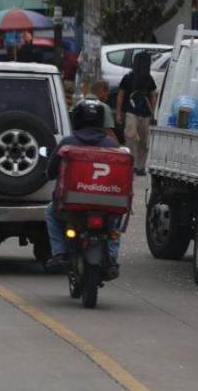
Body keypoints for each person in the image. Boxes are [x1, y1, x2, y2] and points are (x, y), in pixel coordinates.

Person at [43, 100, 122, 277]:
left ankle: (60, 253)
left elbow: (51, 170)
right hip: (106, 206)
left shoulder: (67, 143)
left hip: (71, 207)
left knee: (49, 212)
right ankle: (111, 258)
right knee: (115, 222)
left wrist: (48, 174)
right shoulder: (112, 145)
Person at [116, 52, 158, 175]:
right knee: (131, 137)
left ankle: (140, 167)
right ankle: (132, 164)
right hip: (132, 112)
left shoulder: (148, 79)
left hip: (144, 114)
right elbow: (121, 95)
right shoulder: (128, 77)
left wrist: (152, 113)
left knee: (143, 141)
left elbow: (152, 96)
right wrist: (119, 113)